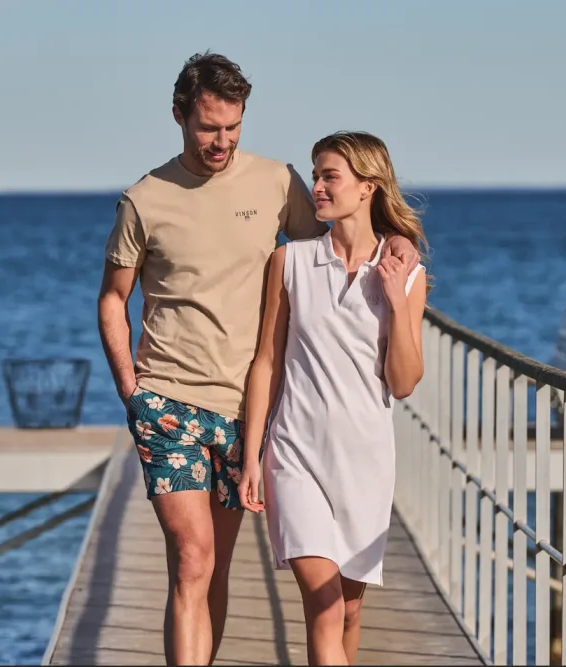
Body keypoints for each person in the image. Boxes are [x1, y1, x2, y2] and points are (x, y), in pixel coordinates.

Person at [96, 53, 419, 666]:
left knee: (214, 570)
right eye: (208, 128)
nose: (221, 141)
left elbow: (337, 237)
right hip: (167, 401)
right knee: (192, 560)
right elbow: (113, 299)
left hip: (247, 410)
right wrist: (130, 388)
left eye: (233, 127)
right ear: (179, 116)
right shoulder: (143, 199)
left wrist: (398, 240)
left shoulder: (277, 183)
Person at [238, 130, 429, 665]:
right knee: (322, 606)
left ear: (368, 186)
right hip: (295, 454)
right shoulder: (290, 262)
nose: (316, 187)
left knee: (347, 611)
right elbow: (266, 363)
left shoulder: (403, 274)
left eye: (329, 176)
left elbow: (404, 381)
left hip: (365, 461)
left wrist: (395, 298)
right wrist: (252, 456)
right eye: (315, 174)